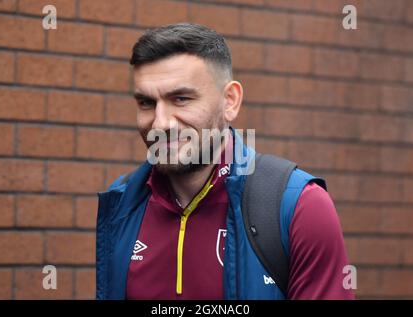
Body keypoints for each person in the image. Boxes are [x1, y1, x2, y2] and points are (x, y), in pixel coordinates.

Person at [96, 23, 354, 300]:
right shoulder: (122, 203)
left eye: (181, 99)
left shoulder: (299, 205)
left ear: (230, 101)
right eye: (147, 103)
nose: (160, 123)